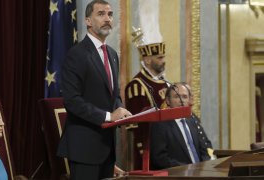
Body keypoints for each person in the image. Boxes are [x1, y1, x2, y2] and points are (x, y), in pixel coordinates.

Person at [57, 0, 132, 179]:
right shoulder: (77, 54)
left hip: (107, 148)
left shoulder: (112, 54)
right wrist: (108, 116)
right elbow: (72, 100)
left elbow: (114, 94)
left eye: (110, 14)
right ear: (88, 21)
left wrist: (121, 111)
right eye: (101, 14)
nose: (107, 18)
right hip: (84, 149)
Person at [125, 28, 169, 169]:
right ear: (148, 60)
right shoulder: (137, 86)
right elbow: (138, 126)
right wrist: (146, 154)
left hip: (170, 145)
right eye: (160, 58)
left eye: (163, 57)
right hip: (151, 149)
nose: (164, 61)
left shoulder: (166, 83)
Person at [150, 82, 212, 169]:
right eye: (176, 97)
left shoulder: (192, 121)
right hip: (179, 174)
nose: (181, 100)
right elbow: (159, 158)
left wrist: (203, 168)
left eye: (185, 97)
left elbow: (204, 150)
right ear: (168, 100)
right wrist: (188, 168)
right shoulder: (160, 124)